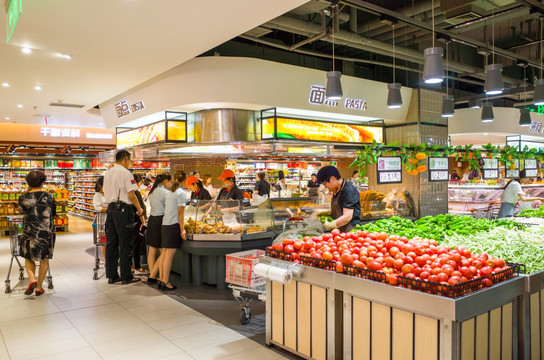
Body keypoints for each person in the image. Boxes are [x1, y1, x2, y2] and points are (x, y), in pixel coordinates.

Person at [103, 150, 144, 285]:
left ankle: (112, 275)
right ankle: (126, 276)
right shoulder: (126, 173)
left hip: (110, 210)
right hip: (123, 210)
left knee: (111, 243)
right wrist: (139, 208)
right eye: (130, 160)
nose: (130, 163)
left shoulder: (108, 173)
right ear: (126, 159)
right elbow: (131, 195)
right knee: (125, 243)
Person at [18, 170, 56, 296]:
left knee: (28, 257)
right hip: (45, 231)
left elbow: (21, 211)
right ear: (43, 182)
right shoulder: (49, 196)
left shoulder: (22, 197)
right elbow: (53, 213)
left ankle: (32, 279)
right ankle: (39, 287)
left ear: (28, 182)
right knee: (44, 259)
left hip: (29, 231)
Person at [158, 171, 187, 290]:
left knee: (164, 254)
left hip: (165, 225)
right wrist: (182, 229)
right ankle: (166, 281)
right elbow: (180, 213)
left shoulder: (170, 192)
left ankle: (161, 279)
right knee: (169, 256)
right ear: (184, 180)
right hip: (173, 225)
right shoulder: (181, 193)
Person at [145, 173, 172, 284]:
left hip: (152, 220)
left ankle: (153, 274)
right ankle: (155, 276)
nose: (170, 184)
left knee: (152, 250)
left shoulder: (152, 191)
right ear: (165, 181)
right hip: (161, 221)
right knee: (164, 251)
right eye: (170, 182)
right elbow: (169, 208)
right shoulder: (165, 192)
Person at [316, 166, 361, 232]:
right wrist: (328, 212)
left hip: (349, 230)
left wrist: (331, 225)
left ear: (332, 178)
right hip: (339, 229)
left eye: (325, 184)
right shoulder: (337, 189)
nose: (325, 186)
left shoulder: (348, 190)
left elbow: (347, 217)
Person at [132, 174, 147, 274]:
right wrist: (143, 221)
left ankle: (132, 265)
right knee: (136, 245)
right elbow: (140, 208)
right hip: (137, 221)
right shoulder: (136, 193)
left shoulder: (129, 193)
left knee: (131, 244)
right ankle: (137, 266)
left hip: (131, 221)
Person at [92, 176, 107, 262]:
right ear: (101, 185)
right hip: (101, 221)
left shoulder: (107, 195)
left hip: (109, 221)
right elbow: (98, 208)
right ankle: (106, 261)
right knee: (103, 241)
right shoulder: (97, 196)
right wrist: (110, 208)